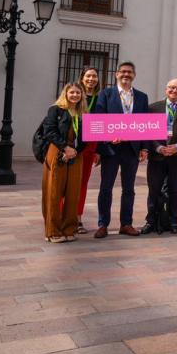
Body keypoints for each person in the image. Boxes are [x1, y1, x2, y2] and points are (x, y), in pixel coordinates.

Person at [93, 62, 149, 239]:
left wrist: (144, 148)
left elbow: (144, 123)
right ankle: (103, 224)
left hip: (131, 149)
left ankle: (126, 224)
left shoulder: (141, 97)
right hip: (111, 148)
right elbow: (98, 119)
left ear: (134, 75)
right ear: (116, 74)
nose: (126, 75)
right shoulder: (106, 94)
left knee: (129, 189)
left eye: (130, 72)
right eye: (123, 72)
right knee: (106, 187)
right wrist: (108, 138)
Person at [143, 79, 177, 234]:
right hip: (157, 156)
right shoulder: (153, 107)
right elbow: (147, 130)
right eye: (172, 88)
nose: (175, 91)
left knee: (175, 190)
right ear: (166, 90)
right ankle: (151, 221)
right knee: (154, 190)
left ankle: (173, 221)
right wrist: (158, 147)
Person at [41, 83, 85, 243]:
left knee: (73, 193)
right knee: (54, 191)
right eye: (72, 92)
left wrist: (74, 151)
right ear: (65, 94)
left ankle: (69, 229)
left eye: (78, 93)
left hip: (76, 155)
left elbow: (86, 137)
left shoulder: (82, 113)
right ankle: (52, 231)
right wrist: (65, 148)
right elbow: (49, 131)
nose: (75, 95)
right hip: (57, 152)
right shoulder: (55, 110)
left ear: (82, 95)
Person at [76, 66, 101, 235]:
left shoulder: (100, 99)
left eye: (94, 76)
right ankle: (64, 216)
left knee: (83, 183)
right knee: (68, 182)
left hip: (90, 145)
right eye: (88, 76)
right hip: (72, 143)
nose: (91, 79)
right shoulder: (74, 94)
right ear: (82, 78)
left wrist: (98, 150)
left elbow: (102, 123)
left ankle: (77, 218)